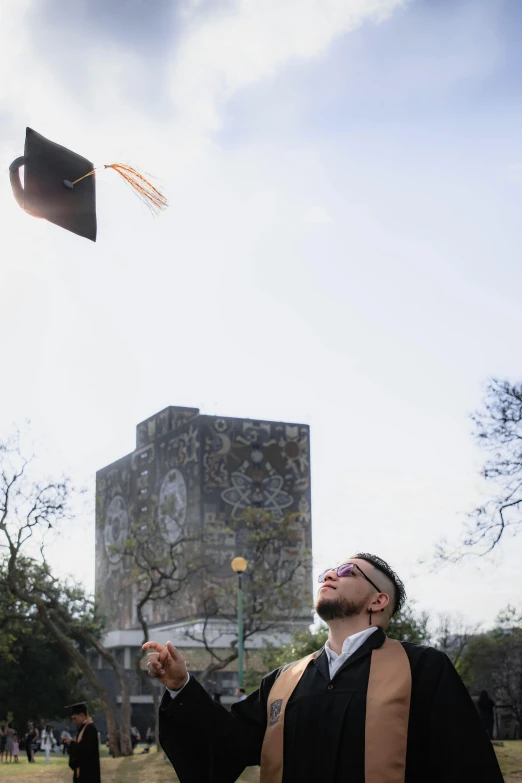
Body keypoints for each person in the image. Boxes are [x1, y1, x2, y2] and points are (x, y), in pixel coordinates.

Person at [145, 552, 505, 783]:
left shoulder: (423, 669)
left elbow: (467, 768)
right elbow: (227, 745)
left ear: (379, 601)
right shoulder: (284, 681)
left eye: (347, 571)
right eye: (327, 573)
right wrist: (181, 687)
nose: (329, 576)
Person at [63, 703, 101, 783]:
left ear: (81, 715)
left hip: (89, 774)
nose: (73, 721)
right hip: (81, 773)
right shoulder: (82, 729)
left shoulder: (90, 729)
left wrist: (71, 744)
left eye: (74, 718)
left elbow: (85, 751)